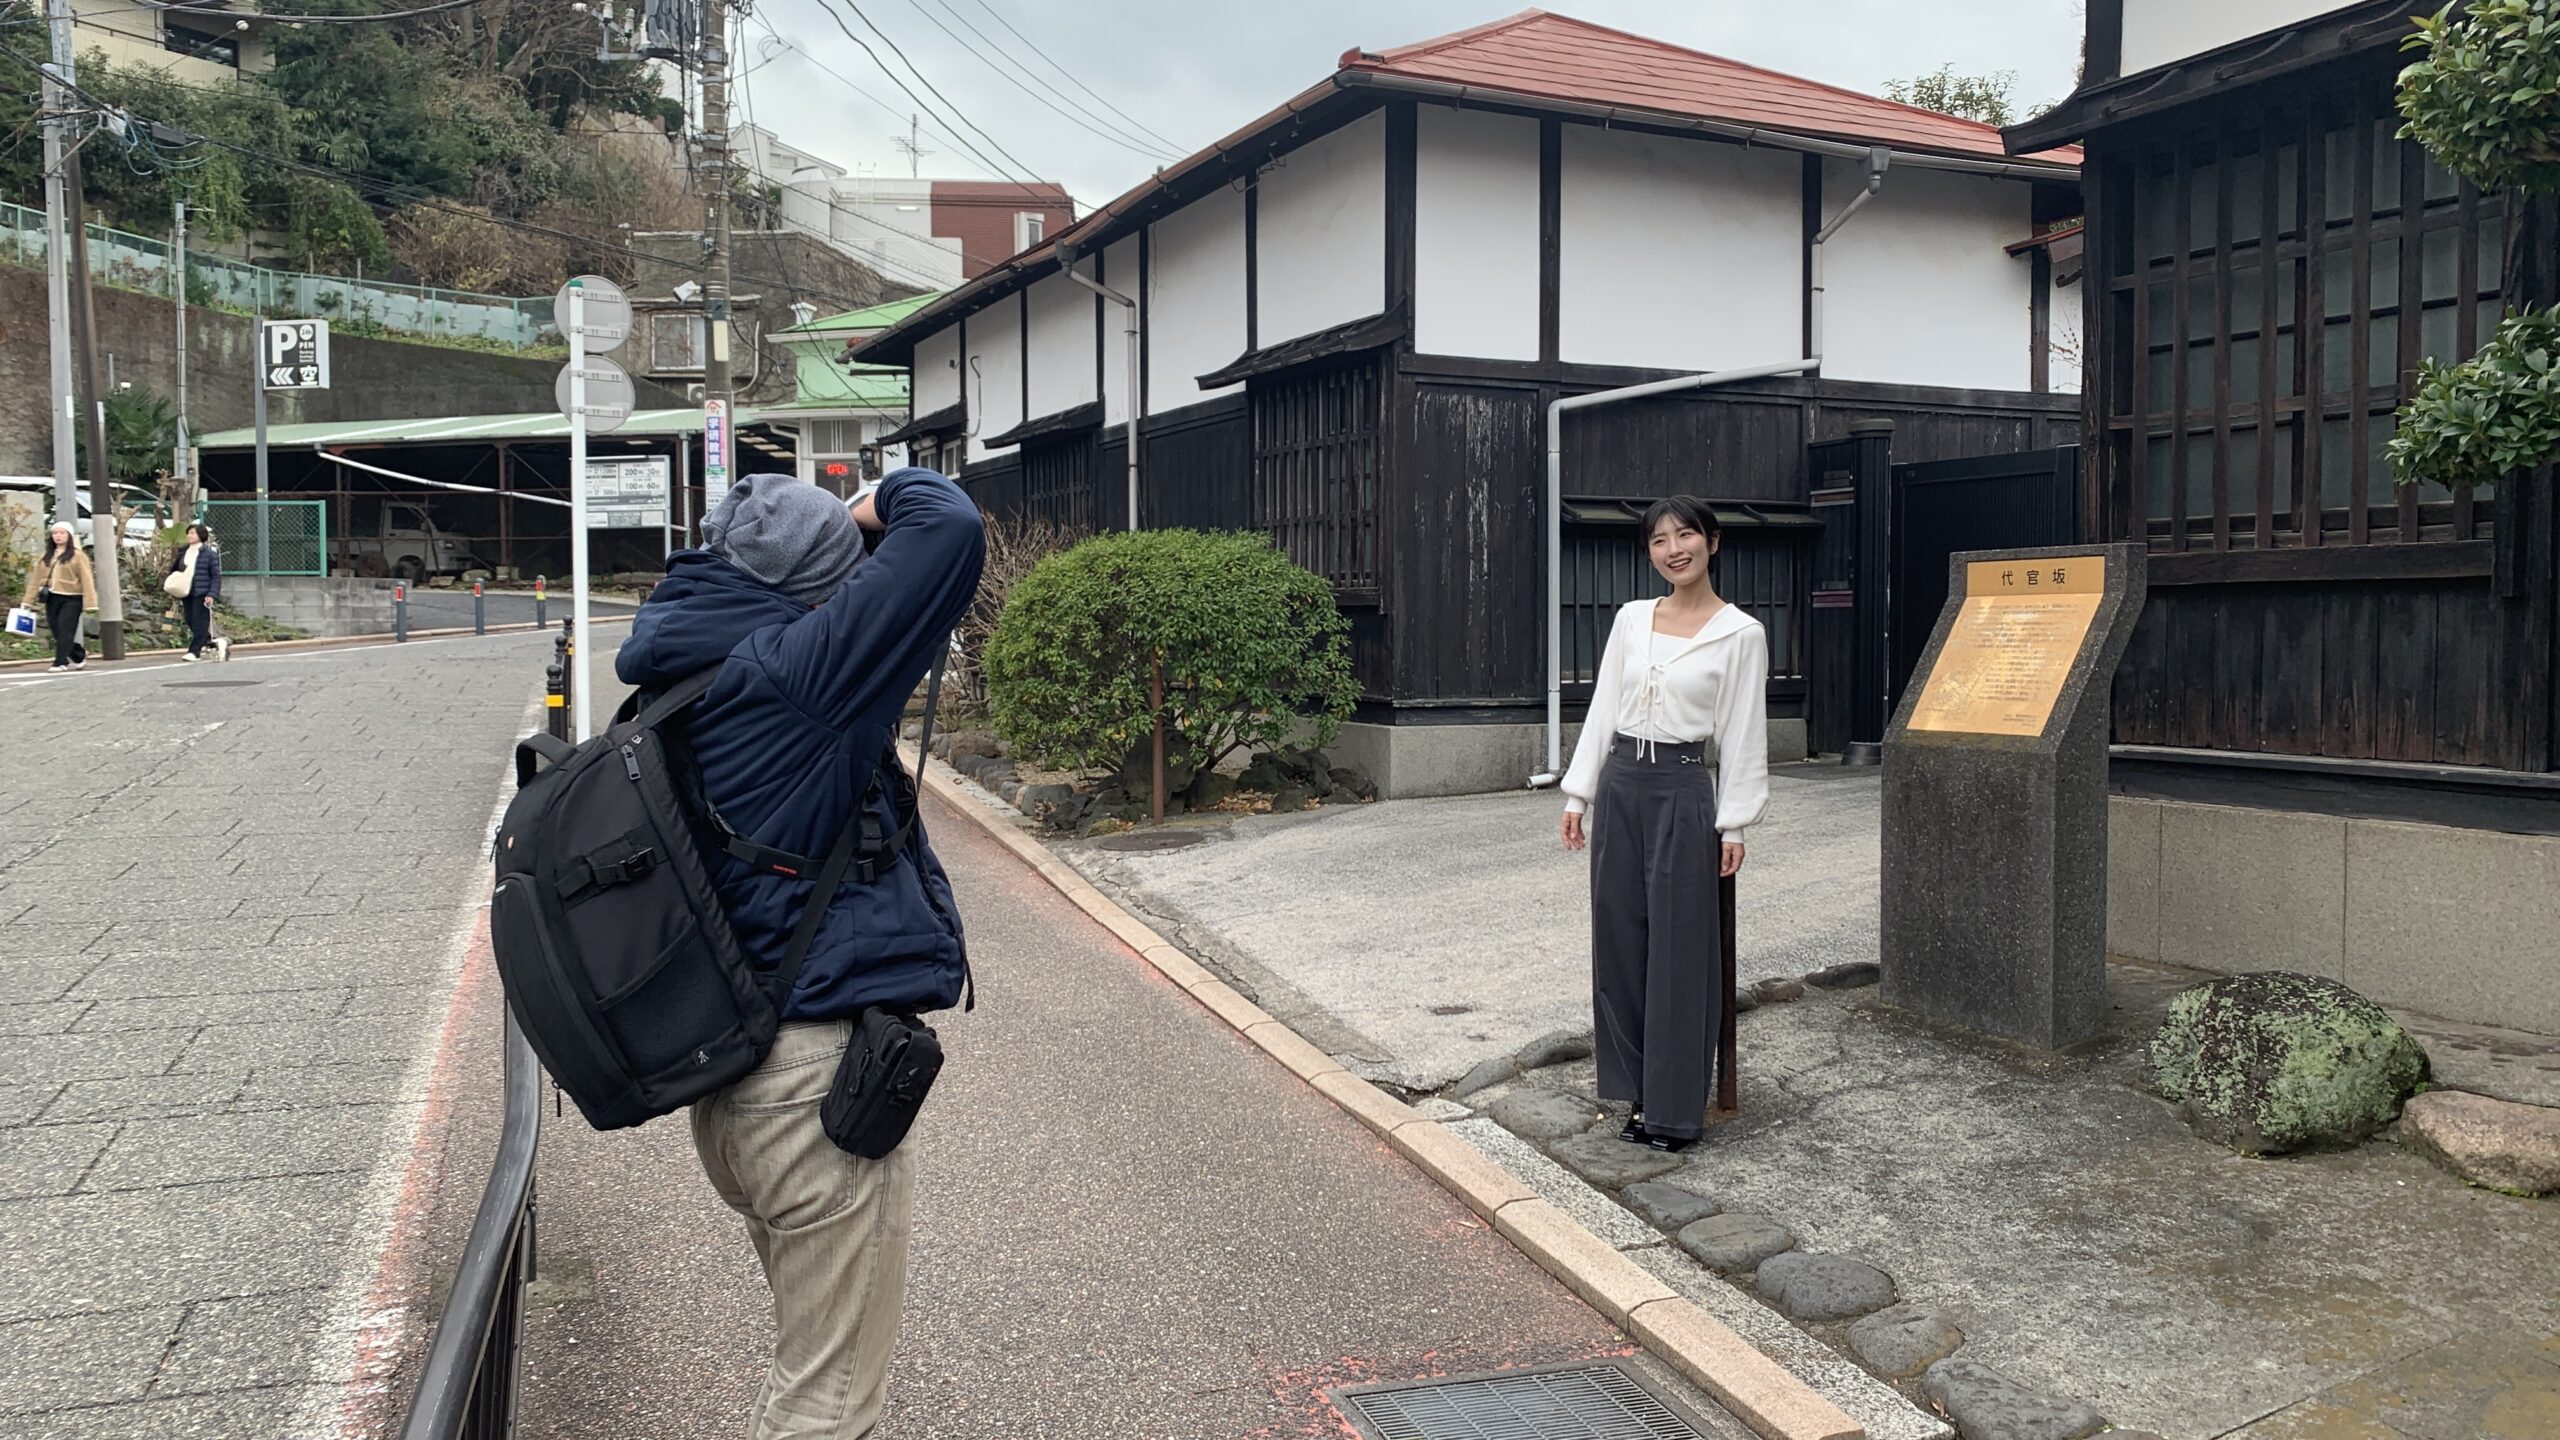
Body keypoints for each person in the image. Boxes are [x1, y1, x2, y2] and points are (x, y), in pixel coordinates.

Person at [615, 465, 983, 1439]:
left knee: (811, 1365)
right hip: (812, 1096)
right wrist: (870, 506)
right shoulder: (798, 676)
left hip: (735, 1085)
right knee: (827, 1405)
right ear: (818, 583)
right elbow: (945, 524)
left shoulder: (683, 667)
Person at [1558, 496, 1770, 1153]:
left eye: (1685, 536)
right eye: (1658, 540)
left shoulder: (1740, 634)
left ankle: (1677, 1112)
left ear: (1712, 542)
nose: (1673, 549)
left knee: (1681, 950)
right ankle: (1639, 1091)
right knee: (1619, 941)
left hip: (1683, 787)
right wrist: (1578, 792)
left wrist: (1734, 824)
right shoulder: (1630, 619)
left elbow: (1740, 731)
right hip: (1622, 781)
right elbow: (1604, 707)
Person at [20, 520, 94, 672]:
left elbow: (87, 579)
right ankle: (78, 654)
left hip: (73, 597)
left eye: (62, 533)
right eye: (55, 533)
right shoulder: (46, 556)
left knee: (65, 629)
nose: (58, 536)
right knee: (57, 631)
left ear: (69, 536)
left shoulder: (78, 556)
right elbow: (35, 580)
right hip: (52, 597)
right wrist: (27, 601)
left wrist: (91, 602)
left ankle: (60, 662)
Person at [170, 522, 227, 662]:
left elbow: (215, 576)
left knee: (200, 621)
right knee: (190, 620)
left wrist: (211, 594)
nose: (189, 535)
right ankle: (212, 643)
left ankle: (194, 652)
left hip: (202, 592)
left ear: (201, 535)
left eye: (193, 533)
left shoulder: (209, 554)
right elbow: (174, 570)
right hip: (186, 591)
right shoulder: (183, 551)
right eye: (188, 533)